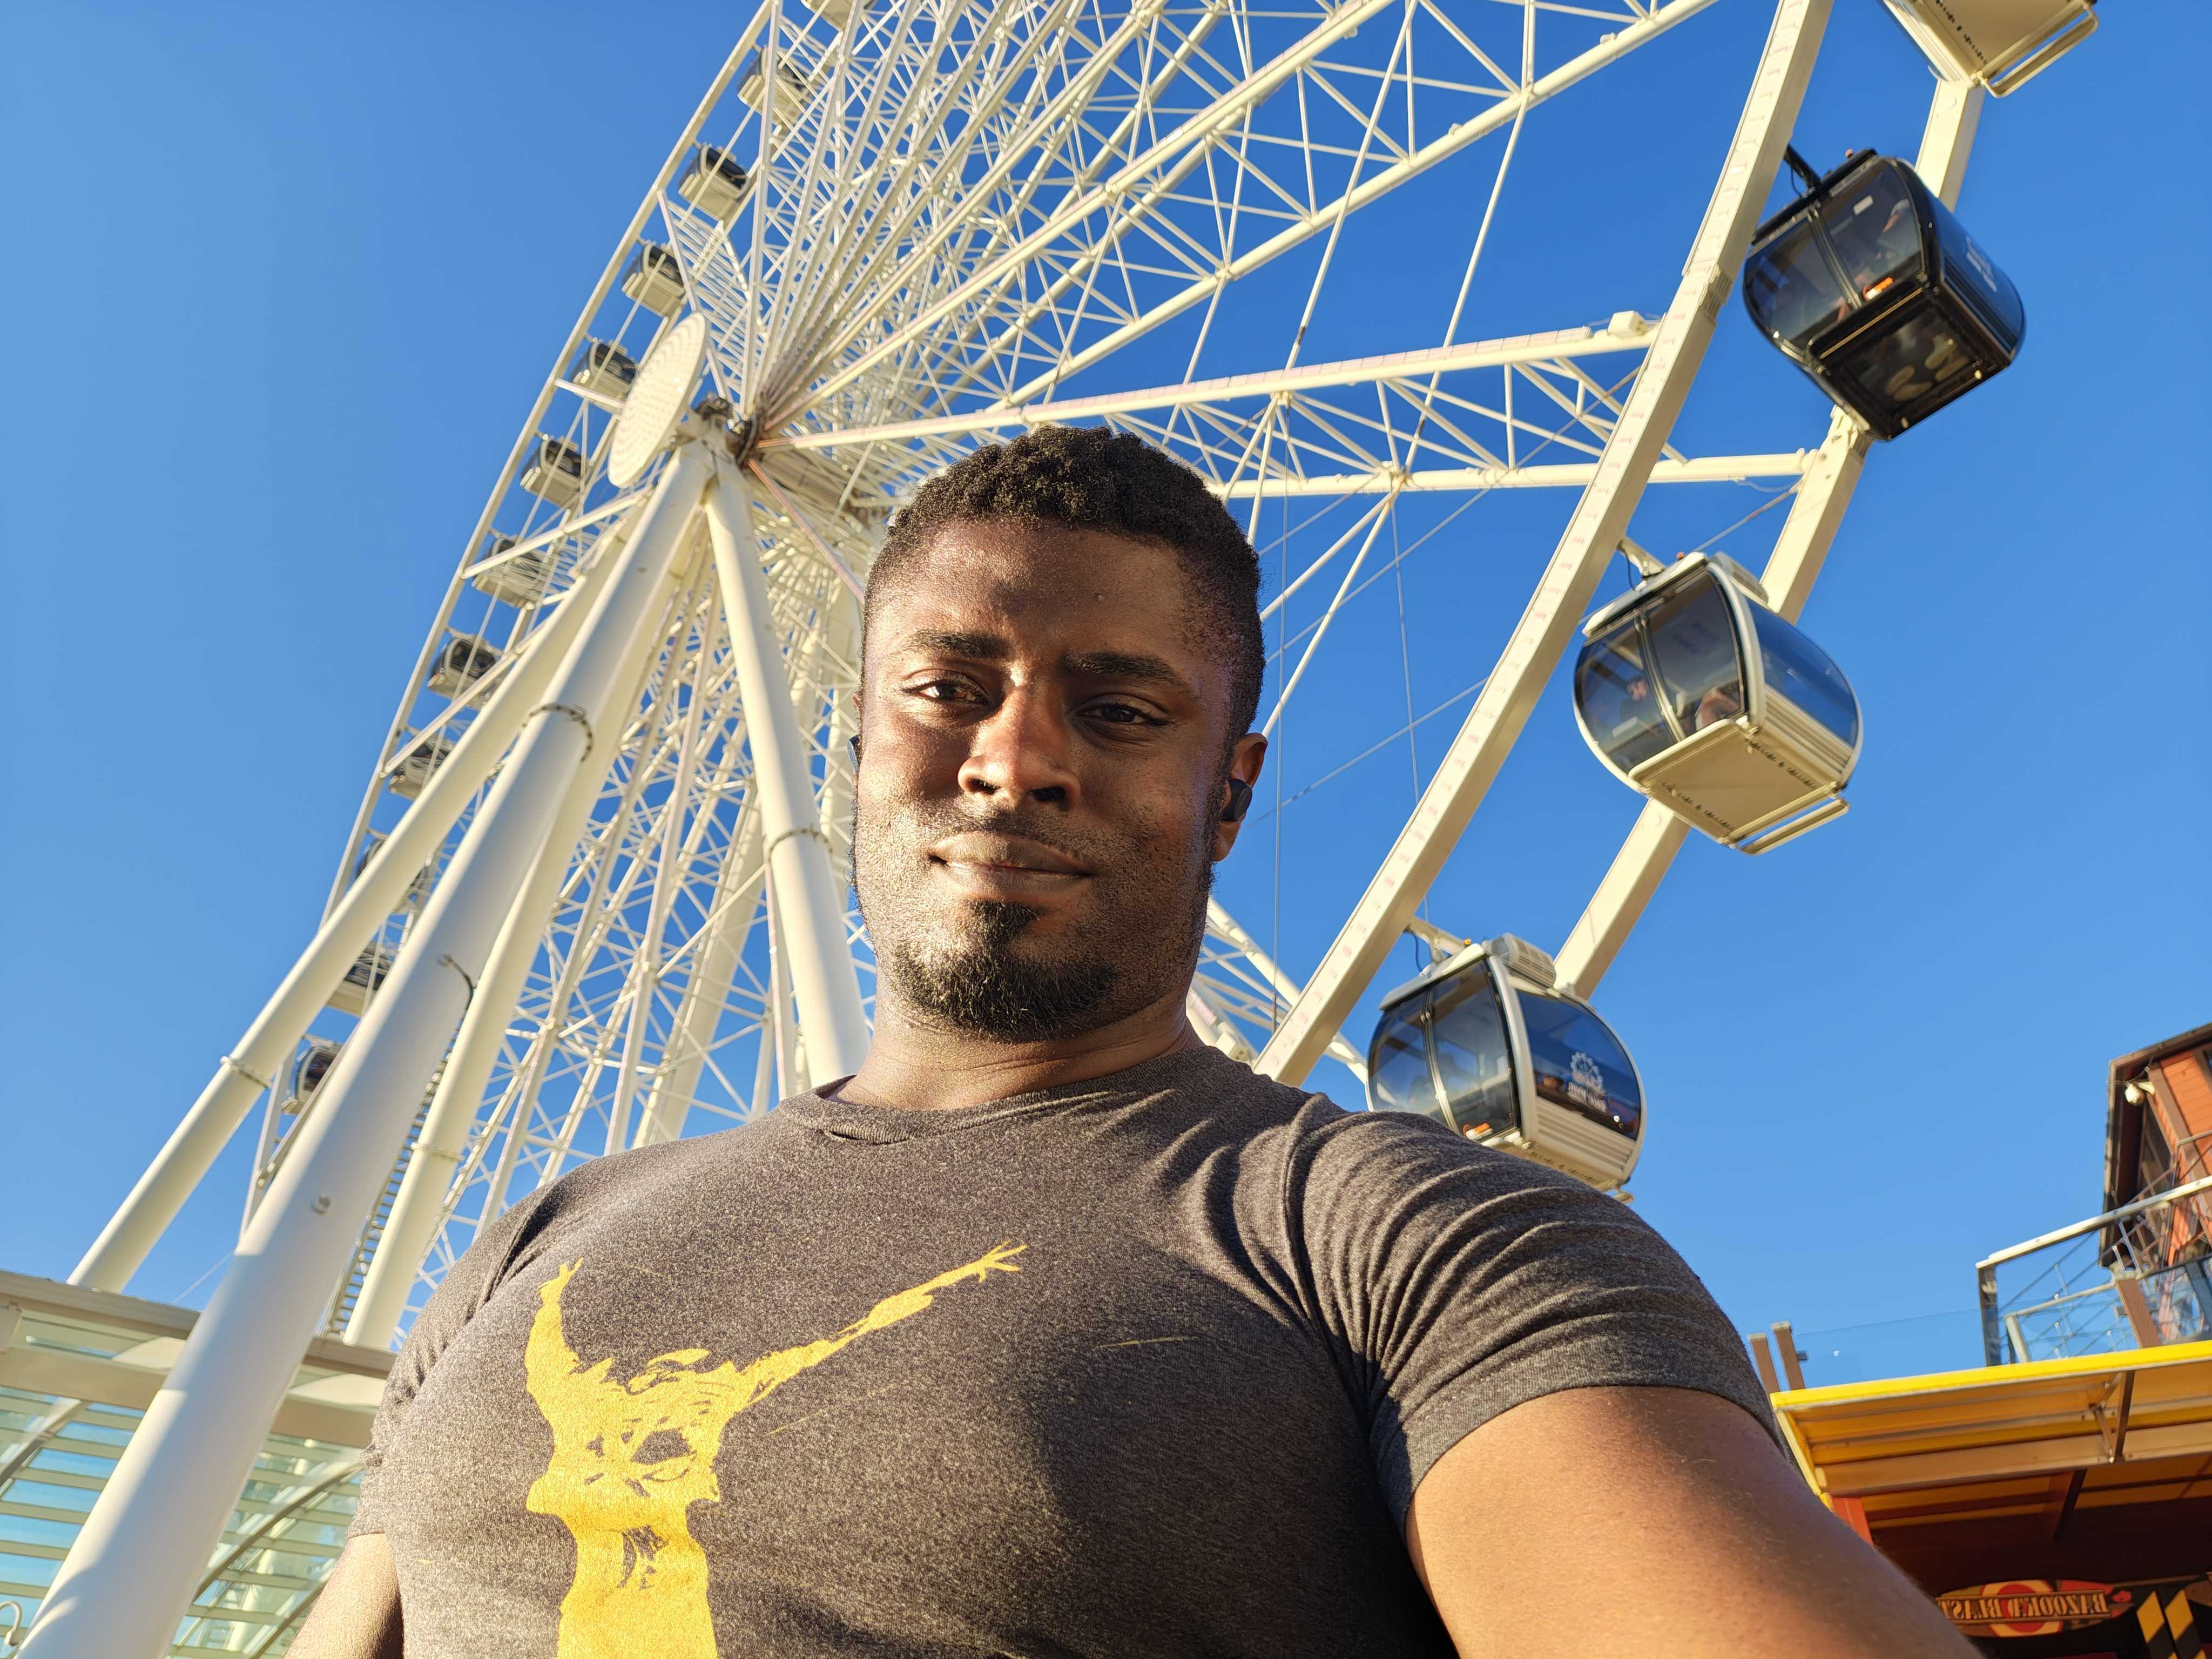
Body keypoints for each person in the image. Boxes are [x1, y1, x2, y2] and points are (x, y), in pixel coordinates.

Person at [295, 427, 1973, 1658]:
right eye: (950, 688)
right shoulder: (548, 1240)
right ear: (856, 738)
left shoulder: (1413, 1245)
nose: (1015, 759)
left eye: (1118, 710)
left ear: (1229, 787)